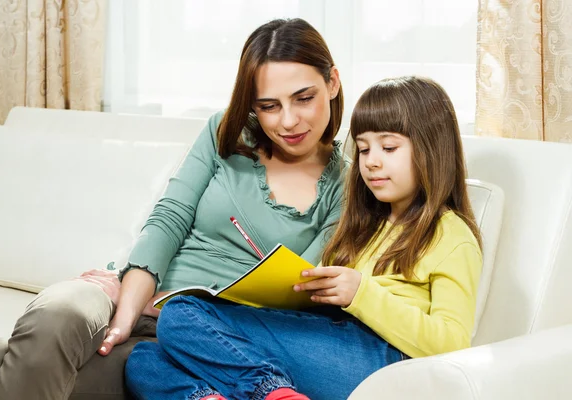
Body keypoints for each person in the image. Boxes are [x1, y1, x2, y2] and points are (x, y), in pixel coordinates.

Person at [0, 18, 346, 400]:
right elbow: (170, 218)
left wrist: (177, 311)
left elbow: (294, 292)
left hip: (196, 340)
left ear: (332, 82)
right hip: (133, 291)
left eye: (303, 98)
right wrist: (130, 307)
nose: (288, 121)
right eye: (269, 106)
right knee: (57, 314)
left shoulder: (350, 185)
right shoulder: (225, 134)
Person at [124, 76, 484, 400]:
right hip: (328, 343)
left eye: (388, 148)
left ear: (433, 149)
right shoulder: (364, 224)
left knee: (180, 316)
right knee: (145, 359)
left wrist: (362, 293)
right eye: (363, 149)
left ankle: (269, 393)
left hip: (382, 360)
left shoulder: (451, 234)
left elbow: (451, 344)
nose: (372, 161)